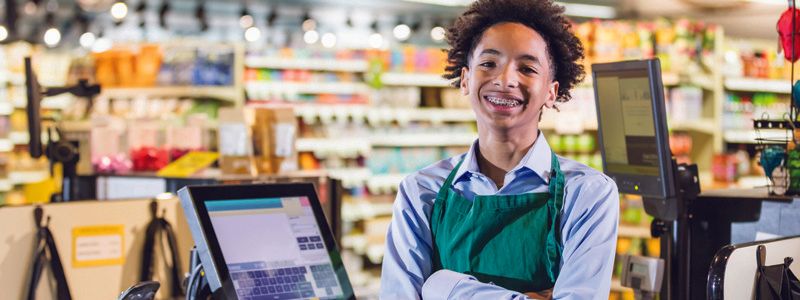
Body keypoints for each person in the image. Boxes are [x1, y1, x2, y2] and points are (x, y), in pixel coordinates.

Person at [380, 0, 619, 299]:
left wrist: (444, 287)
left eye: (527, 68)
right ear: (466, 79)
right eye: (488, 63)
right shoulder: (420, 192)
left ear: (551, 91)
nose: (505, 80)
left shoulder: (588, 194)